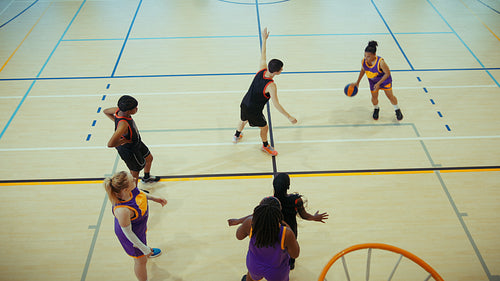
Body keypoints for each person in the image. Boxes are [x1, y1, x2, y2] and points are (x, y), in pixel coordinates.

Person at [233, 27, 297, 156]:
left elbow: (263, 54)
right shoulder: (271, 86)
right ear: (275, 72)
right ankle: (265, 146)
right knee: (265, 127)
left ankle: (236, 136)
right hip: (254, 110)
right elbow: (276, 104)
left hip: (244, 102)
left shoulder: (262, 68)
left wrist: (264, 39)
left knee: (243, 119)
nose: (282, 70)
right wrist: (289, 116)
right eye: (281, 70)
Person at [103, 171, 167, 281]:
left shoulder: (131, 191)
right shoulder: (123, 211)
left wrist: (154, 198)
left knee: (143, 249)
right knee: (141, 261)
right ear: (125, 190)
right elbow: (128, 234)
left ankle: (147, 250)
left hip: (138, 227)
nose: (134, 178)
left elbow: (140, 194)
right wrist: (143, 248)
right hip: (131, 236)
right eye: (131, 179)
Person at [235, 196, 300, 281]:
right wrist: (287, 227)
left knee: (250, 277)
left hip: (254, 265)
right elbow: (295, 254)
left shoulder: (250, 223)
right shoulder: (286, 233)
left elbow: (238, 236)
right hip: (276, 271)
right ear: (279, 213)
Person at [272, 173, 328, 269]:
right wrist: (314, 217)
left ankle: (277, 262)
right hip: (291, 229)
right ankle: (291, 263)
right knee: (291, 245)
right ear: (288, 186)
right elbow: (304, 215)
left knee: (277, 246)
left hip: (277, 228)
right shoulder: (296, 200)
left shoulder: (273, 199)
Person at [104, 95, 161, 186]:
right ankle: (134, 192)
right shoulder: (123, 125)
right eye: (135, 108)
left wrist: (115, 121)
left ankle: (146, 177)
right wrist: (124, 141)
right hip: (129, 149)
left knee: (149, 158)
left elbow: (106, 111)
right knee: (135, 172)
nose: (137, 109)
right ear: (128, 111)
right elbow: (111, 144)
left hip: (136, 142)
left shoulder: (118, 111)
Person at [353, 40, 403, 121]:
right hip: (373, 81)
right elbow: (363, 70)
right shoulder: (364, 61)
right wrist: (357, 82)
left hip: (384, 81)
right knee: (374, 98)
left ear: (374, 55)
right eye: (364, 55)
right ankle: (376, 109)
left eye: (368, 56)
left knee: (390, 96)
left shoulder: (381, 62)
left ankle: (397, 109)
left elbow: (387, 73)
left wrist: (379, 83)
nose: (366, 58)